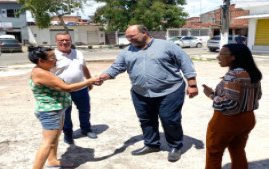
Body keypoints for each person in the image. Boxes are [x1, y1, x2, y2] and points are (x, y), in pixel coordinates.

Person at [99, 25, 198, 162]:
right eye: (127, 37)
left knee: (169, 120)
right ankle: (151, 144)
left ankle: (175, 146)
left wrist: (192, 84)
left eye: (132, 36)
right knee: (146, 120)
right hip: (141, 92)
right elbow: (117, 67)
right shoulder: (126, 51)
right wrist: (104, 76)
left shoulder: (167, 46)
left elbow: (185, 62)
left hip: (170, 90)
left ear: (144, 32)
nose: (129, 39)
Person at [28, 46, 99, 169]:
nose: (56, 60)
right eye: (52, 58)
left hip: (57, 110)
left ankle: (52, 161)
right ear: (41, 60)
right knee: (48, 143)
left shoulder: (42, 70)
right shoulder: (41, 73)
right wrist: (89, 81)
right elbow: (67, 88)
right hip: (50, 112)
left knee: (54, 139)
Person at [202, 44, 262, 169]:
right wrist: (217, 93)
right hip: (248, 118)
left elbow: (231, 104)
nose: (218, 57)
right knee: (237, 150)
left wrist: (211, 96)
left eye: (222, 54)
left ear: (233, 57)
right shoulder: (251, 73)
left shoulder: (233, 75)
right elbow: (257, 96)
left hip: (228, 121)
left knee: (214, 153)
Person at [50, 32, 97, 144]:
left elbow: (84, 67)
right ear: (56, 42)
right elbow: (47, 73)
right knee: (65, 114)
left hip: (81, 89)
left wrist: (89, 81)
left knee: (85, 110)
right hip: (62, 91)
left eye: (67, 40)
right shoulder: (52, 56)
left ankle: (85, 129)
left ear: (71, 41)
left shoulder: (78, 53)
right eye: (61, 41)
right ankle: (68, 134)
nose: (64, 42)